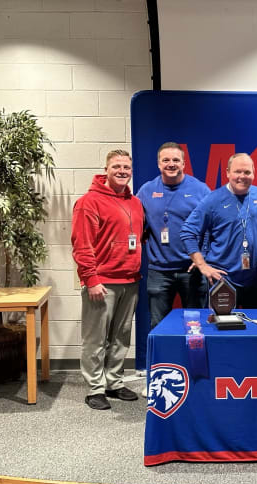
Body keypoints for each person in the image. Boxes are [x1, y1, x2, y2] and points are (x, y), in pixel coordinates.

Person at [71, 150, 144, 410]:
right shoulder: (89, 202)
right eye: (116, 166)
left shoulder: (135, 202)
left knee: (121, 336)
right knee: (95, 339)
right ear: (106, 169)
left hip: (130, 280)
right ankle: (94, 388)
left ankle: (114, 382)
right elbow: (82, 245)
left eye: (126, 167)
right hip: (101, 282)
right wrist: (90, 279)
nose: (122, 171)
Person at [180, 153, 257, 308]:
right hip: (223, 281)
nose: (242, 176)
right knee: (221, 330)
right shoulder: (213, 200)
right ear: (227, 173)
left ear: (253, 173)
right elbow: (187, 231)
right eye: (237, 172)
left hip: (256, 280)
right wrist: (202, 265)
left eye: (247, 172)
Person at [137, 142, 210, 329]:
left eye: (176, 160)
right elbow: (135, 224)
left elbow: (212, 227)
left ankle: (193, 360)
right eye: (166, 160)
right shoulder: (146, 191)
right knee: (158, 326)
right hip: (159, 272)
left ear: (184, 163)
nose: (171, 164)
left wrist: (203, 255)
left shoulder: (201, 190)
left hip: (192, 271)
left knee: (196, 327)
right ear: (159, 164)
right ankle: (164, 360)